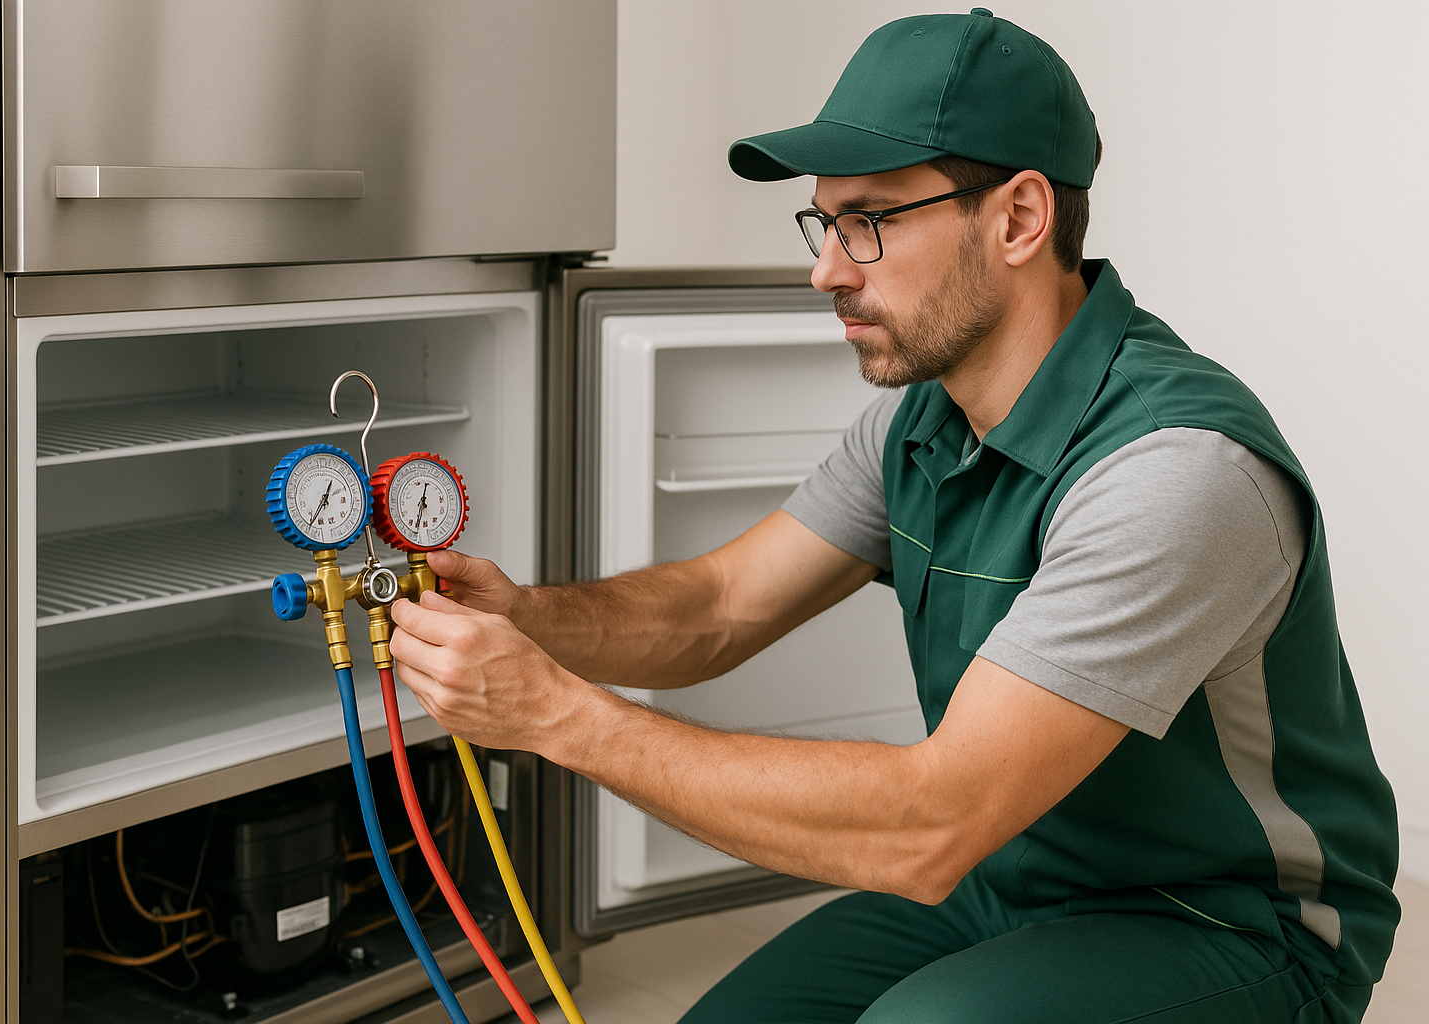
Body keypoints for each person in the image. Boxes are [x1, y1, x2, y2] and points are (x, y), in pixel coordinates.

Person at [389, 10, 1399, 1022]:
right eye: (824, 224)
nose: (827, 268)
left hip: (1228, 926)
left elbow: (932, 824)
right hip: (1012, 879)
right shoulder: (924, 420)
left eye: (869, 220)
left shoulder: (1173, 471)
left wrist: (556, 714)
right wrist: (527, 620)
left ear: (1018, 219)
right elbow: (721, 604)